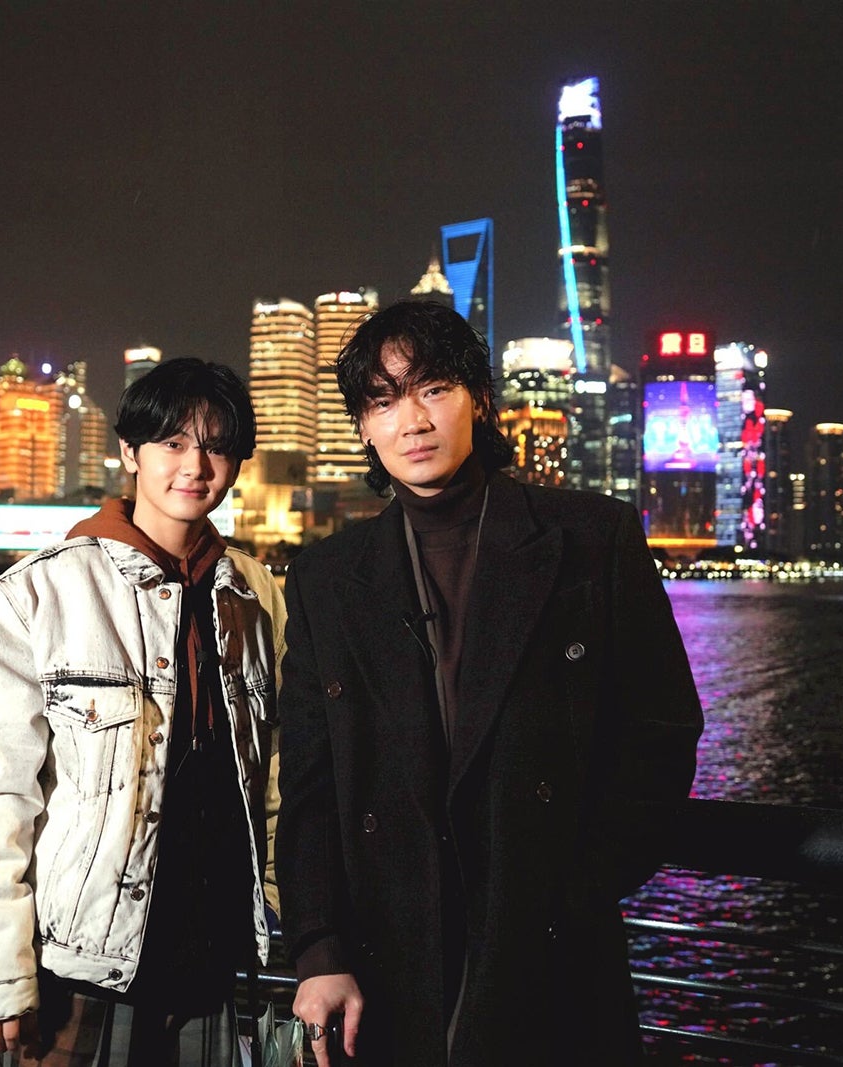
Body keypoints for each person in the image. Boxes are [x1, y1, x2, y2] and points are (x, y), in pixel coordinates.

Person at [276, 301, 704, 1066]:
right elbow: (309, 786)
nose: (412, 420)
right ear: (364, 428)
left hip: (551, 953)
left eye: (433, 389)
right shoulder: (326, 579)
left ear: (478, 397)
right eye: (383, 401)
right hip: (383, 965)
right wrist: (317, 947)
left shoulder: (591, 540)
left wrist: (571, 887)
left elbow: (661, 736)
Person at [0, 357, 284, 1066]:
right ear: (130, 452)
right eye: (173, 443)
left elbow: (277, 772)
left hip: (217, 955)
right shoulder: (36, 595)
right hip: (83, 965)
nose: (195, 466)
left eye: (216, 447)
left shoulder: (255, 595)